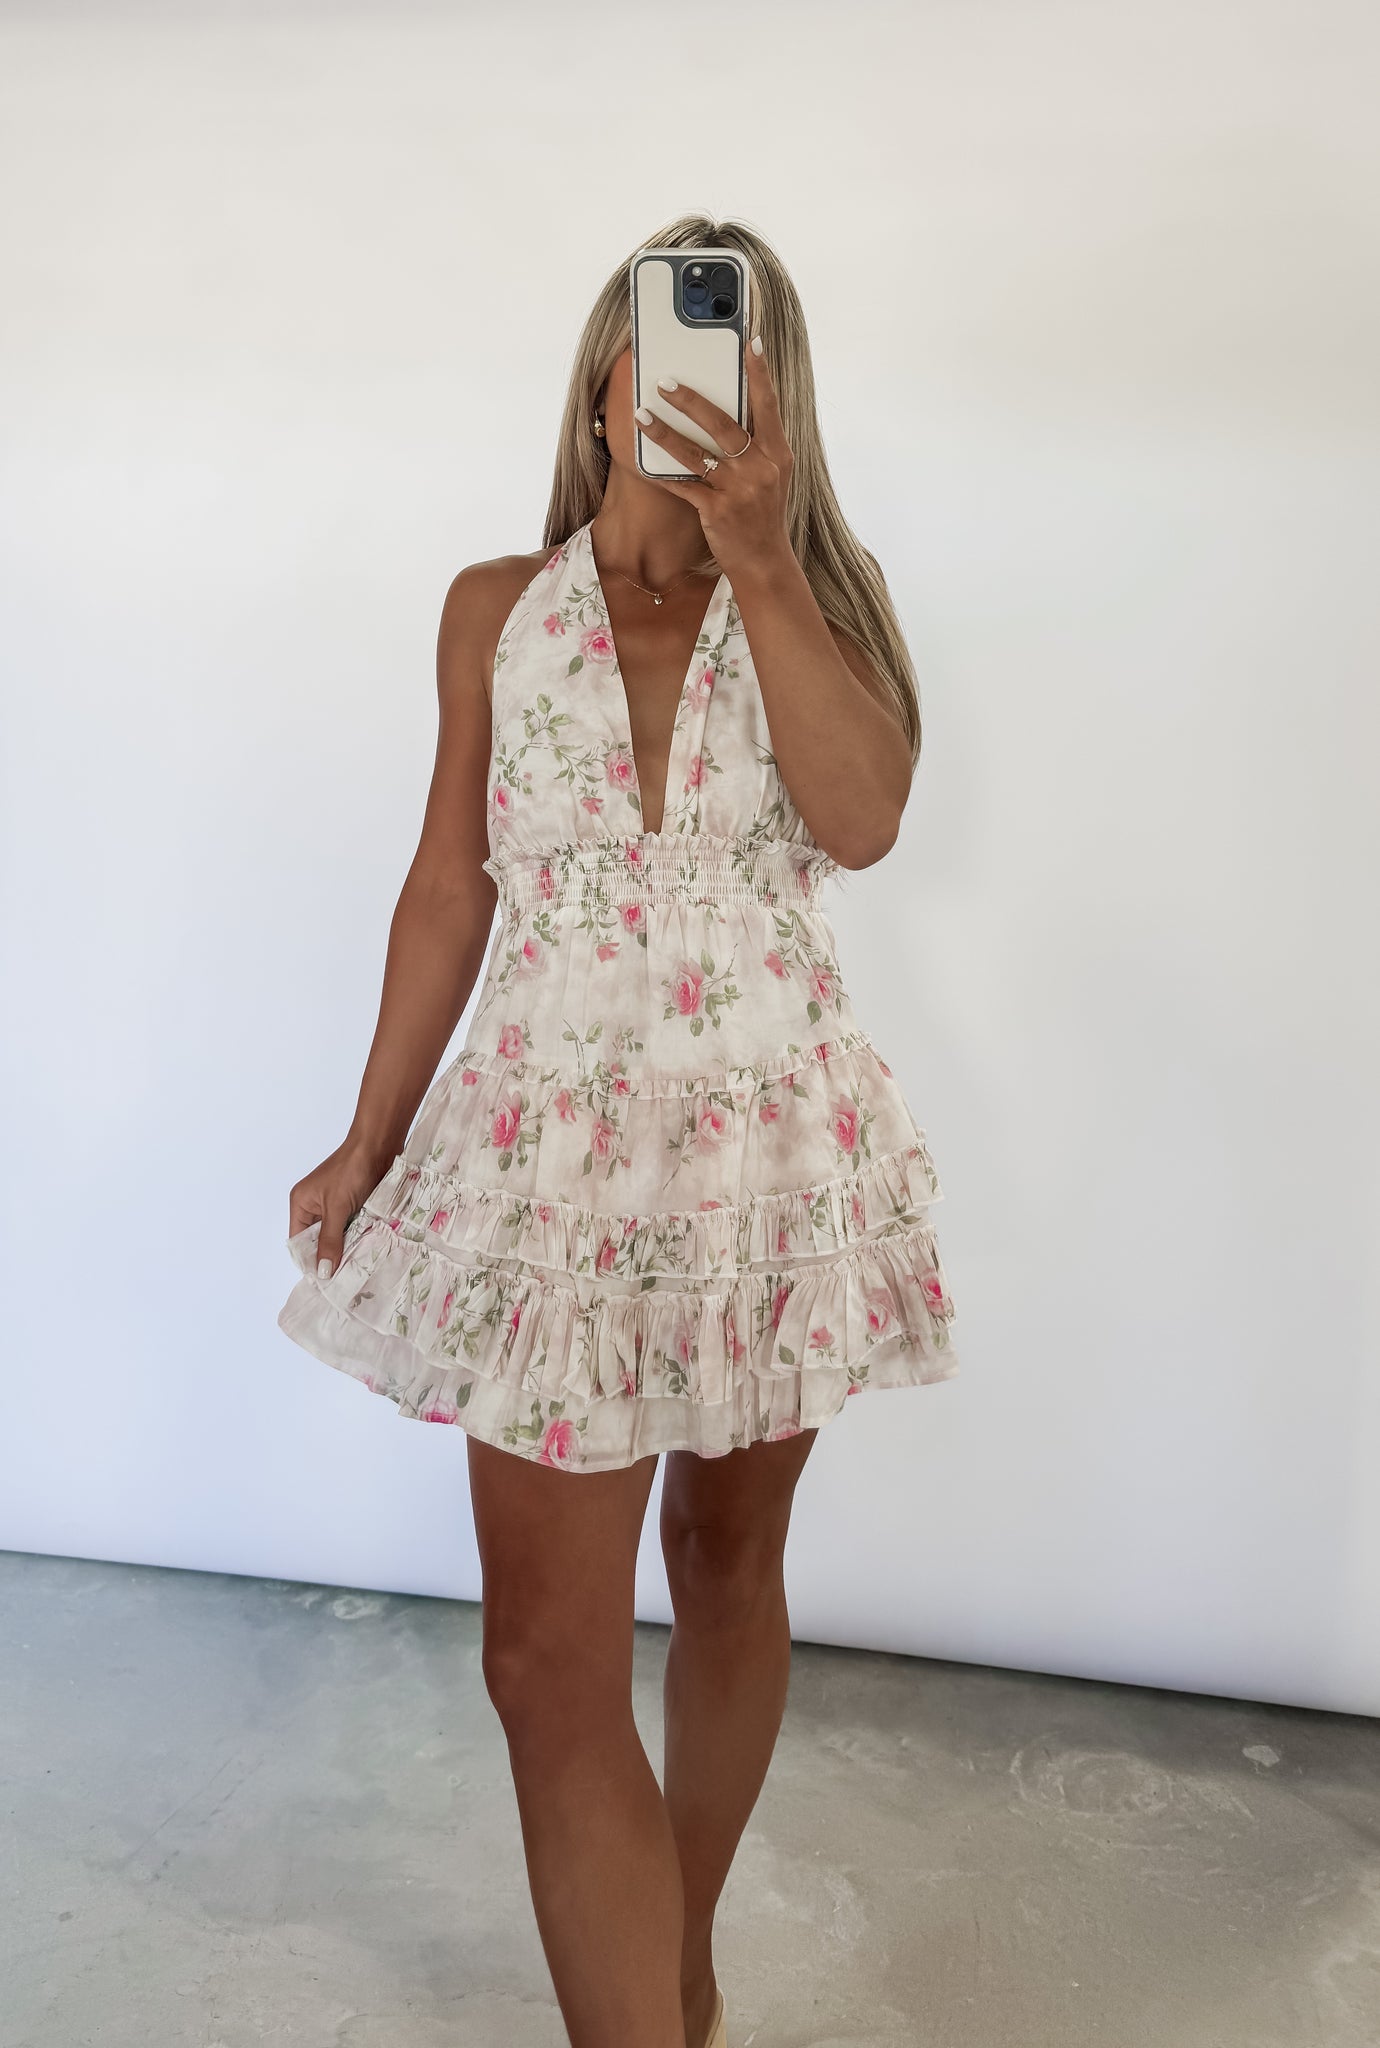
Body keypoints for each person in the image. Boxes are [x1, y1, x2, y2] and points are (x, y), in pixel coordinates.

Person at [278, 212, 959, 2048]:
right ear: (600, 385)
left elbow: (864, 821)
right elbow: (451, 882)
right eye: (653, 351)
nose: (680, 391)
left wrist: (764, 556)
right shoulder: (494, 610)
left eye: (729, 358)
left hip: (768, 1161)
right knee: (541, 1657)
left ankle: (684, 1957)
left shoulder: (821, 600)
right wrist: (370, 1132)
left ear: (773, 400)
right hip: (547, 1164)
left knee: (728, 1570)